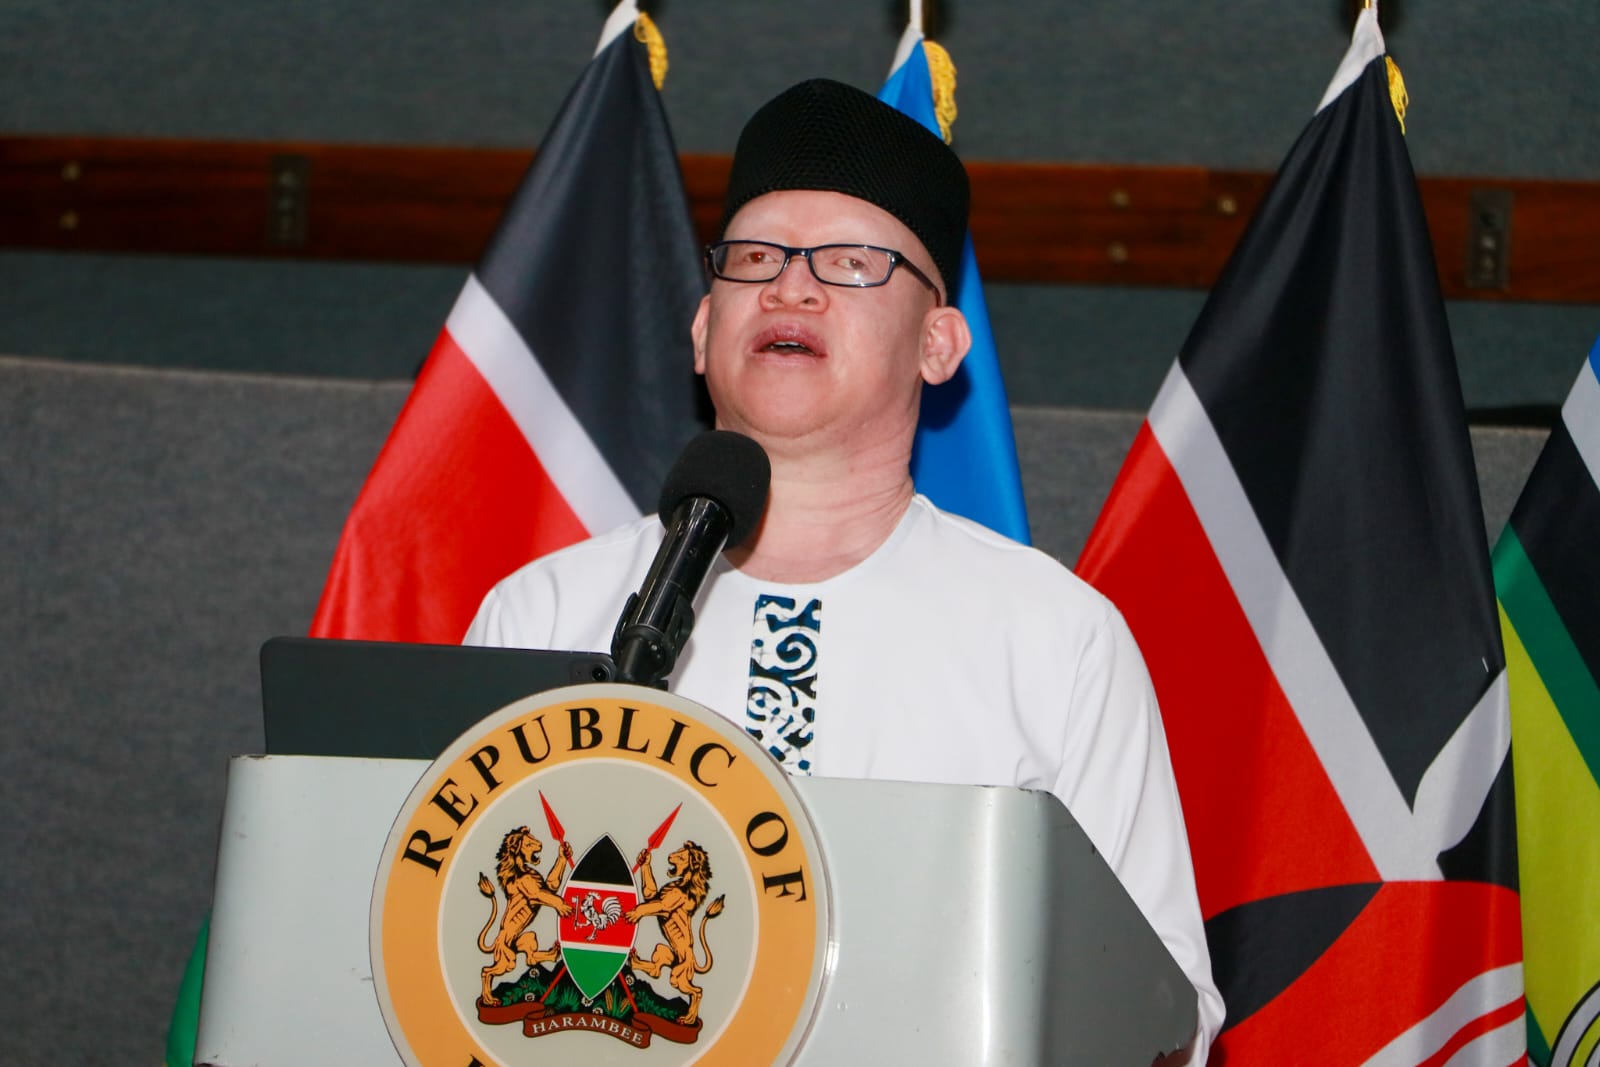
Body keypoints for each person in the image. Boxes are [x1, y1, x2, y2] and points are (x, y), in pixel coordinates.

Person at [465, 77, 1224, 1058]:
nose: (790, 286)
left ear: (939, 343)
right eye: (755, 258)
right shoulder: (545, 611)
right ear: (701, 329)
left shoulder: (1051, 636)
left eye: (854, 263)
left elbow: (1167, 1012)